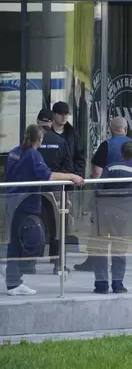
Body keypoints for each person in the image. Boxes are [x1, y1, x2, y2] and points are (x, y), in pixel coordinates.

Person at [4, 124, 84, 296]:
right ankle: (14, 282)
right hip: (25, 203)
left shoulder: (14, 152)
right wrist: (71, 176)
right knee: (22, 242)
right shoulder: (33, 154)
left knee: (14, 240)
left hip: (12, 201)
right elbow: (47, 175)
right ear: (39, 140)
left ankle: (13, 278)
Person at [74, 116, 132, 272]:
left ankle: (94, 262)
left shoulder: (106, 145)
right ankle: (118, 270)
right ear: (126, 129)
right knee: (120, 236)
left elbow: (97, 172)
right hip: (128, 200)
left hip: (106, 199)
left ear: (110, 130)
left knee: (98, 232)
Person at [93, 141, 132, 294]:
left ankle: (101, 284)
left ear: (121, 154)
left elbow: (99, 188)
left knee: (101, 248)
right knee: (120, 249)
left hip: (104, 212)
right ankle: (118, 284)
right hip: (125, 215)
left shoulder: (111, 167)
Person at [35, 108, 73, 274]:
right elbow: (68, 167)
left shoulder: (31, 141)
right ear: (51, 122)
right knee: (58, 227)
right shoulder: (61, 141)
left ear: (38, 121)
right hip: (57, 190)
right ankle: (58, 263)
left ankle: (29, 262)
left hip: (35, 189)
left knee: (34, 223)